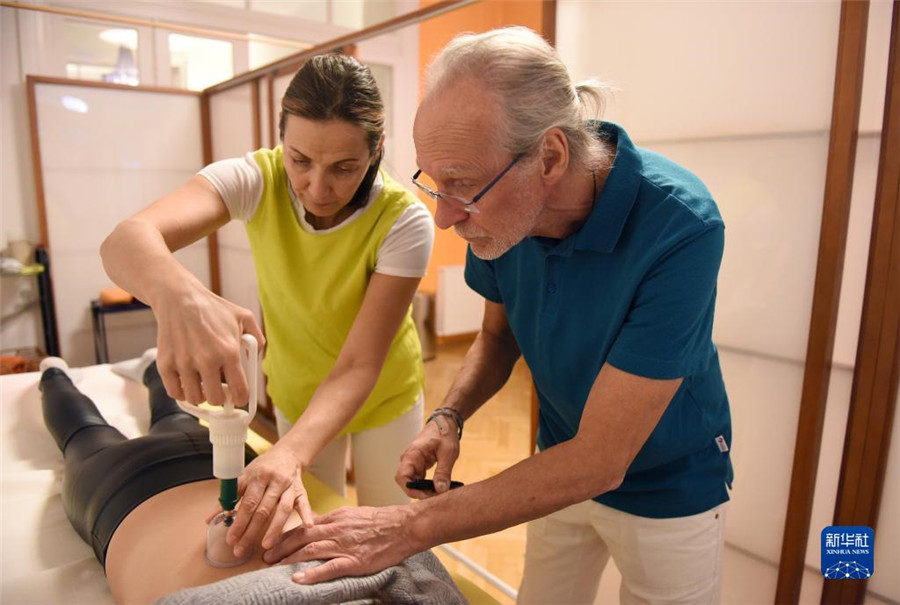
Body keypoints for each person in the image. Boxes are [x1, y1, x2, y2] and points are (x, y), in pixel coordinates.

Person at [262, 26, 734, 605]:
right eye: (436, 185)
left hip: (669, 483)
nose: (444, 219)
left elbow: (602, 460)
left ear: (551, 157)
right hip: (555, 464)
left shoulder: (681, 227)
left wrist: (406, 528)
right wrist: (449, 417)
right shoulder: (499, 212)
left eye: (460, 185)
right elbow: (495, 335)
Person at [100, 54, 434, 560]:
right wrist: (180, 296)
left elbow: (359, 364)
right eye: (300, 160)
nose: (318, 188)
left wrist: (288, 452)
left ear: (377, 151)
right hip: (298, 387)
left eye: (345, 168)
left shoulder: (404, 220)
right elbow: (124, 242)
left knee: (393, 542)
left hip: (385, 395)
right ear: (281, 141)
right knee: (299, 534)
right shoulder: (256, 179)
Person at [36, 356, 465, 605]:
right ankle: (59, 373)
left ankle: (67, 371)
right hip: (159, 486)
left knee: (108, 430)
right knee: (92, 433)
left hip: (134, 489)